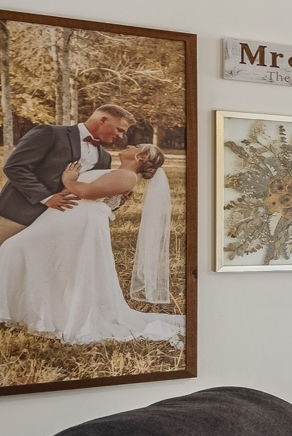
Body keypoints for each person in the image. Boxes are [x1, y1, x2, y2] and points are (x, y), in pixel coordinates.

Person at [0, 144, 183, 345]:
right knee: (34, 257)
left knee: (14, 249)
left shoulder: (127, 176)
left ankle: (28, 311)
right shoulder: (119, 173)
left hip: (74, 220)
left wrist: (68, 180)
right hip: (66, 217)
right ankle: (32, 310)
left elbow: (85, 192)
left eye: (137, 146)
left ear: (141, 156)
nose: (130, 145)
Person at [0, 104, 134, 246]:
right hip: (18, 214)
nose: (121, 136)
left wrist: (117, 198)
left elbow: (91, 195)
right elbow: (15, 167)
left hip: (59, 224)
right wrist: (47, 198)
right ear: (103, 120)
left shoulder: (105, 158)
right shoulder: (50, 133)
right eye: (119, 130)